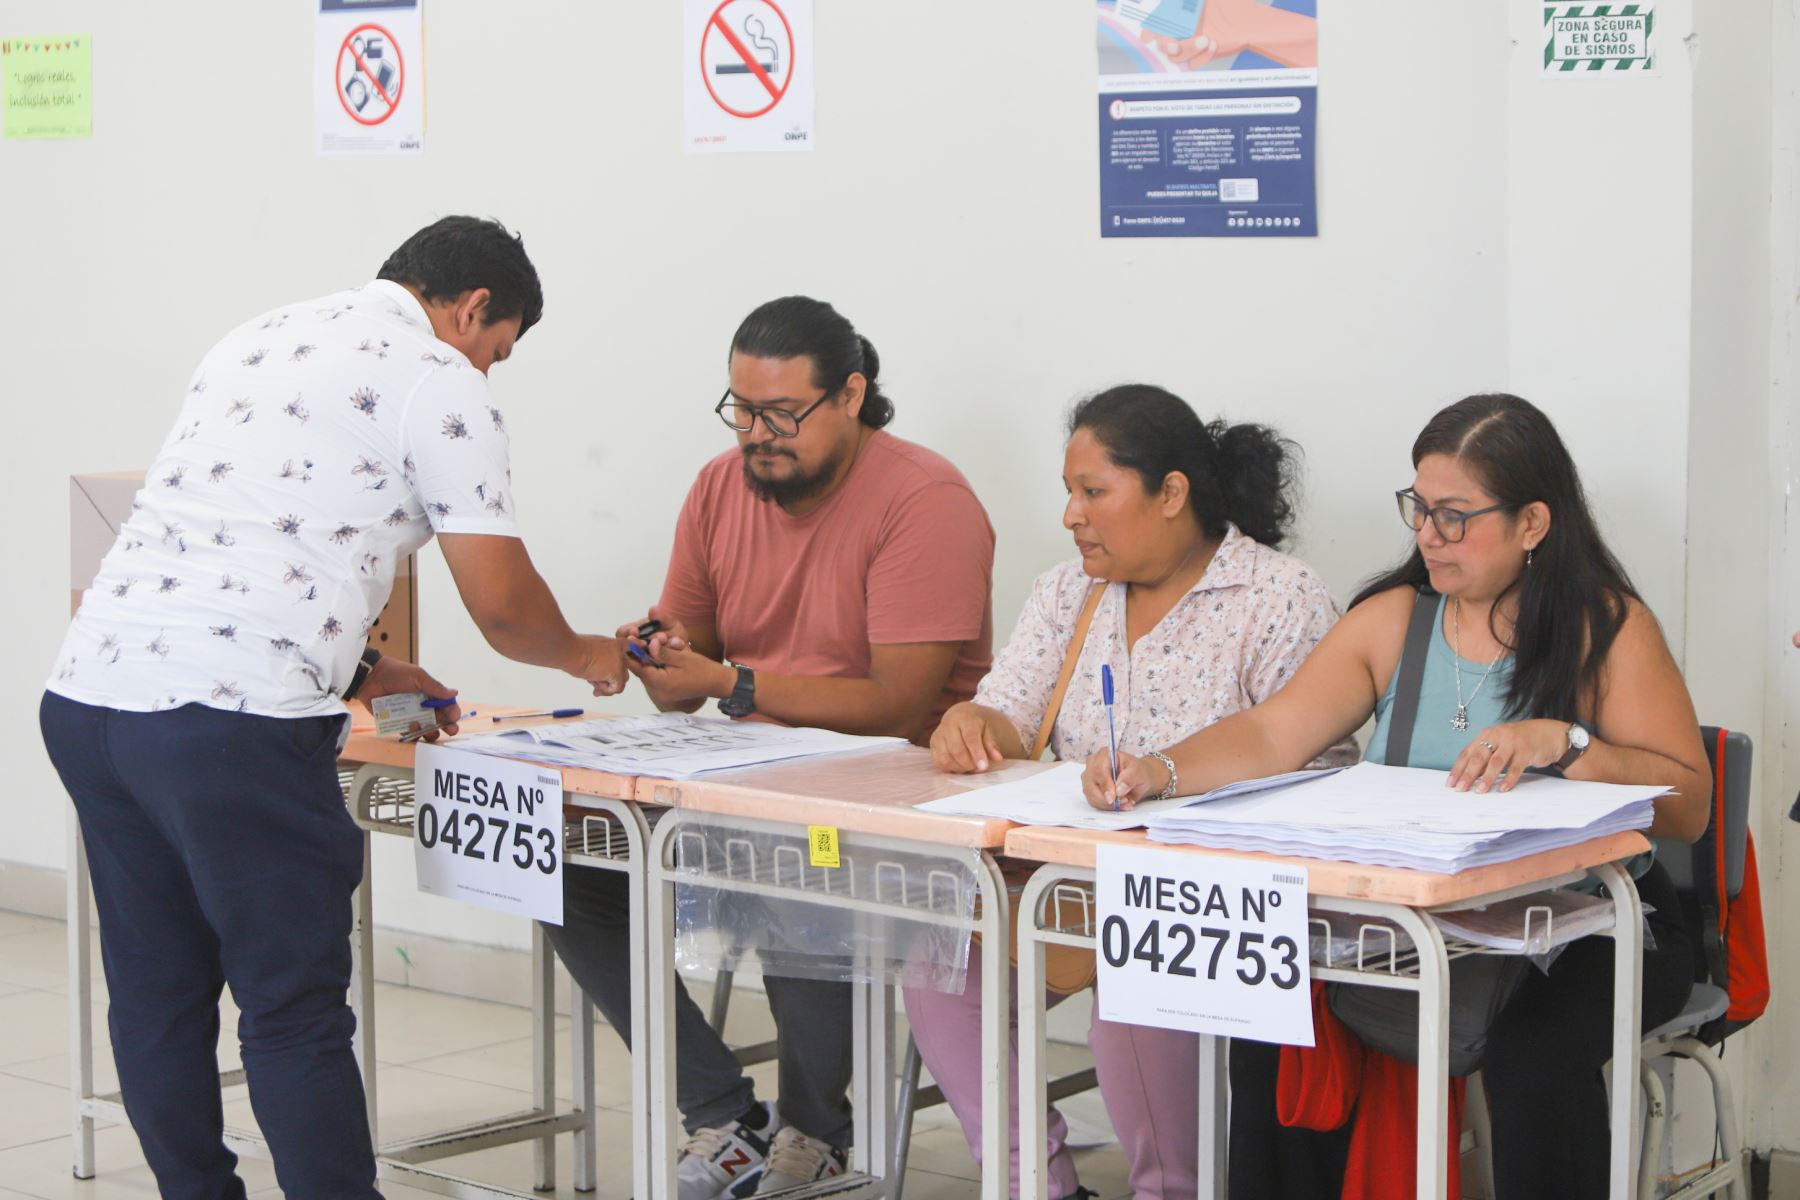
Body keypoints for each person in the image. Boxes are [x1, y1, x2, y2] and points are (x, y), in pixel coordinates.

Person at [40, 216, 630, 1200]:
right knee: (294, 1011)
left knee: (155, 995)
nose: (491, 370)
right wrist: (589, 655)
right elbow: (505, 609)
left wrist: (363, 674)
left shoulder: (258, 334)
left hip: (92, 700)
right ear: (474, 307)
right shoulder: (440, 384)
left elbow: (239, 537)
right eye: (498, 348)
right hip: (230, 732)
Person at [1083, 393, 1706, 1200]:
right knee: (1272, 1025)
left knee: (1532, 1060)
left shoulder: (1608, 629)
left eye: (1455, 516)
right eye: (1419, 508)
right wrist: (1156, 770)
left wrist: (1572, 743)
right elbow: (1274, 733)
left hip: (1590, 923)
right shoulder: (1392, 622)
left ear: (1533, 524)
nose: (1427, 536)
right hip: (1420, 920)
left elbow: (1689, 805)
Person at [542, 295, 996, 1198]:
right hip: (741, 774)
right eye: (742, 411)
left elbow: (898, 702)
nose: (758, 436)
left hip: (890, 790)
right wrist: (660, 654)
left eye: (782, 415)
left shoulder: (924, 498)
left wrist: (732, 685)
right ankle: (722, 1114)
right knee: (567, 865)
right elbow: (691, 659)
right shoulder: (720, 485)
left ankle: (816, 1134)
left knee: (793, 867)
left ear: (852, 395)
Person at [918, 384, 1357, 1200]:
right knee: (937, 958)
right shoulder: (1067, 593)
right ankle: (1036, 1188)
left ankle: (1171, 1189)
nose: (1071, 515)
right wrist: (971, 722)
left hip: (1208, 898)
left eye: (1093, 491)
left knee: (1141, 984)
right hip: (1064, 880)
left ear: (1171, 494)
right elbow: (1009, 711)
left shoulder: (1276, 595)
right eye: (1068, 493)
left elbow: (1316, 766)